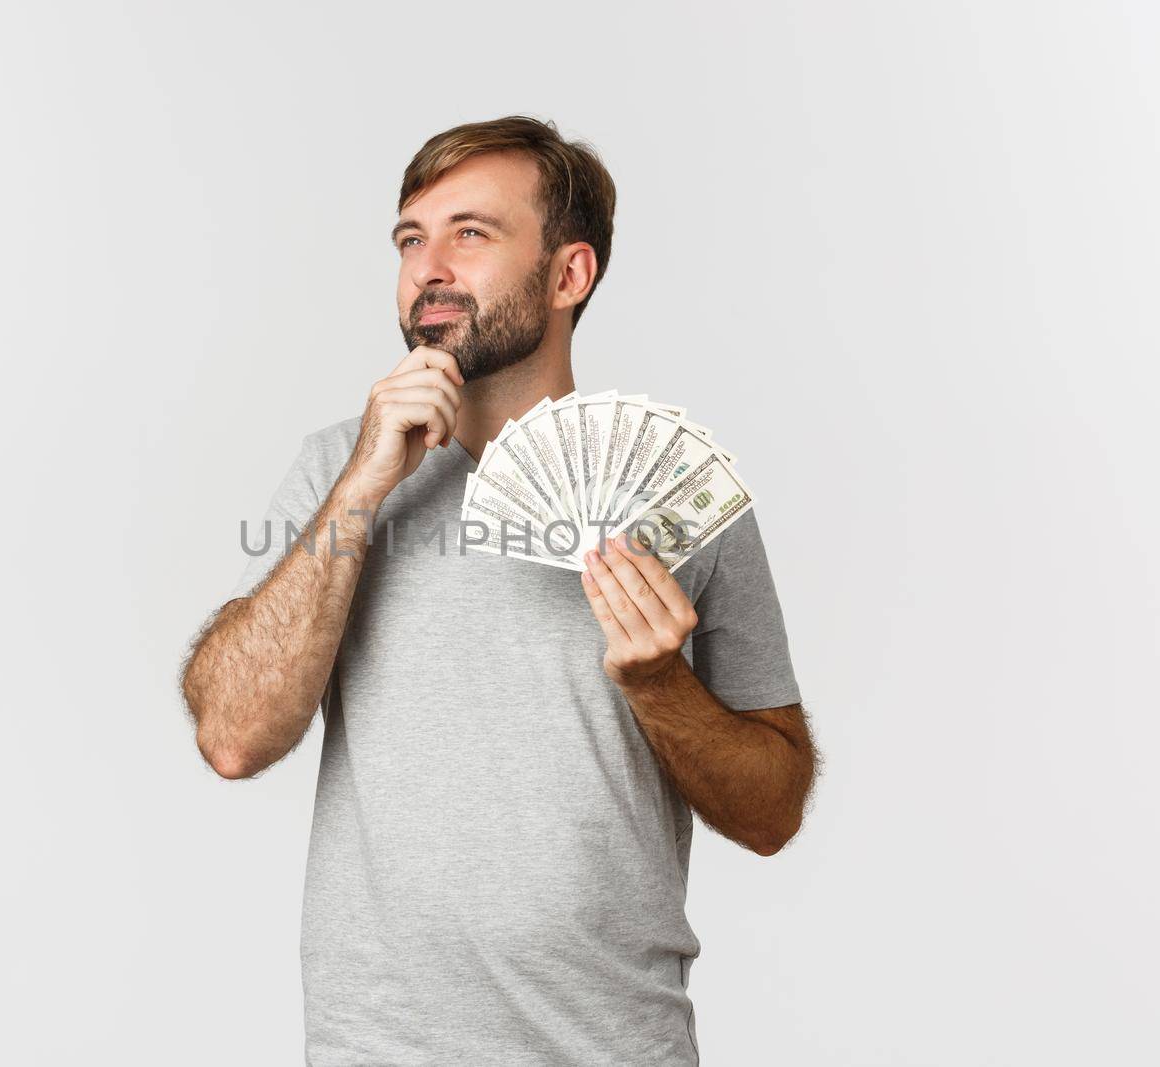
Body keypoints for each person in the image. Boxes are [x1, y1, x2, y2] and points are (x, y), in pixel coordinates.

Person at [180, 115, 818, 1065]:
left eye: (470, 234)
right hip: (379, 1047)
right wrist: (364, 483)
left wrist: (658, 686)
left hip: (613, 1044)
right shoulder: (337, 471)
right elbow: (232, 735)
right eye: (410, 239)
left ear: (569, 276)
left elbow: (772, 811)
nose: (428, 266)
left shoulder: (678, 493)